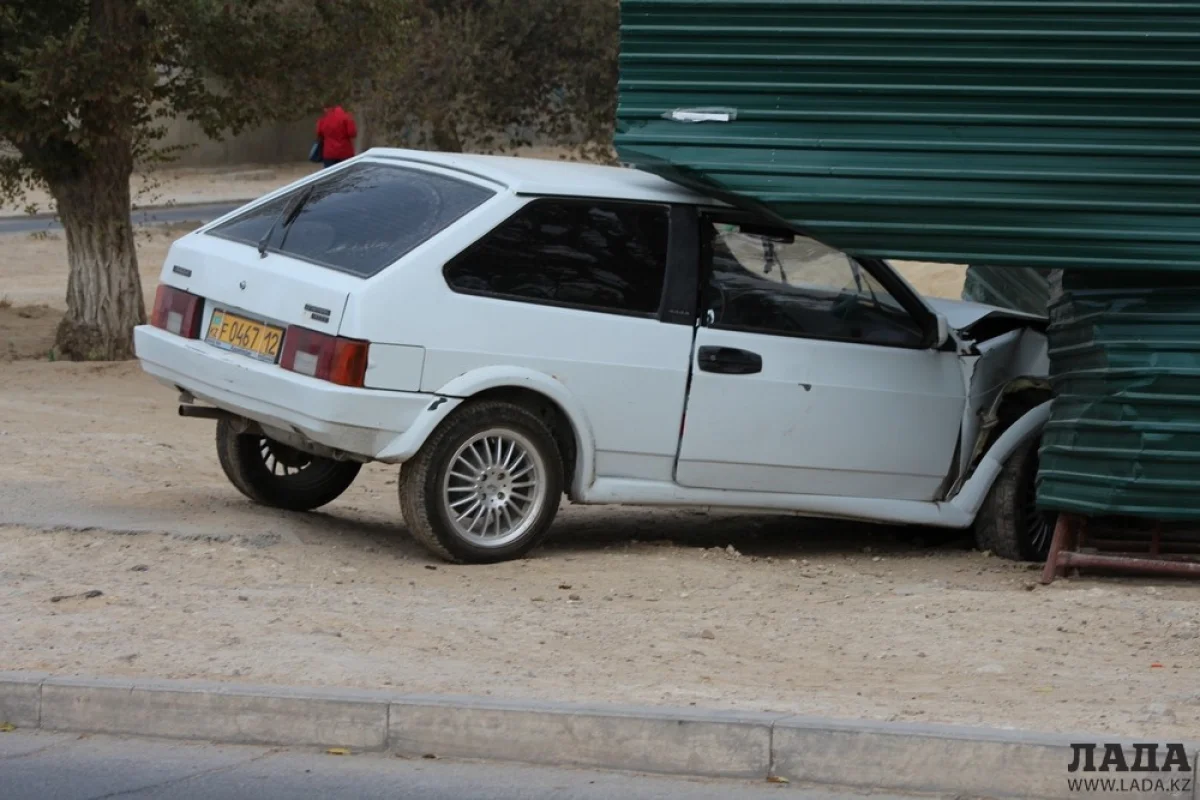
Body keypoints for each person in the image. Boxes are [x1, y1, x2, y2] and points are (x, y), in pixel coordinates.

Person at [315, 104, 358, 168]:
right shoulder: (347, 117)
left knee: (330, 174)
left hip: (329, 152)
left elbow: (319, 133)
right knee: (346, 174)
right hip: (345, 152)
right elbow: (352, 133)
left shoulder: (323, 119)